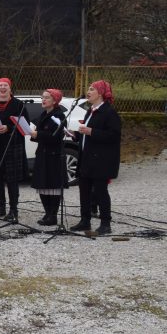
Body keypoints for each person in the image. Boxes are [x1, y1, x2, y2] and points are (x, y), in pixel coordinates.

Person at [71, 80, 121, 235]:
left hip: (101, 160)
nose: (88, 91)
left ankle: (106, 223)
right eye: (88, 88)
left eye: (91, 89)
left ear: (100, 93)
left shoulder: (109, 112)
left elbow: (113, 136)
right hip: (87, 158)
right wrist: (77, 135)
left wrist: (91, 132)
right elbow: (88, 132)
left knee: (100, 192)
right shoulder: (90, 110)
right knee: (84, 190)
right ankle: (85, 221)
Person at [0, 77, 30, 223]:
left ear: (10, 88)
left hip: (12, 145)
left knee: (12, 179)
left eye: (5, 86)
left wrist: (8, 127)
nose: (3, 88)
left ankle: (13, 210)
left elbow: (25, 124)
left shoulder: (18, 104)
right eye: (0, 86)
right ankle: (1, 208)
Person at [29, 89, 67, 226]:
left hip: (53, 156)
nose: (43, 100)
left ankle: (53, 215)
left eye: (47, 98)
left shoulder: (59, 116)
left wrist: (37, 135)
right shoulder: (43, 114)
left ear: (55, 101)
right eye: (42, 97)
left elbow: (56, 136)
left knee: (53, 186)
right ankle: (47, 213)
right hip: (42, 154)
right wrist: (34, 134)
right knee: (42, 185)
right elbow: (39, 132)